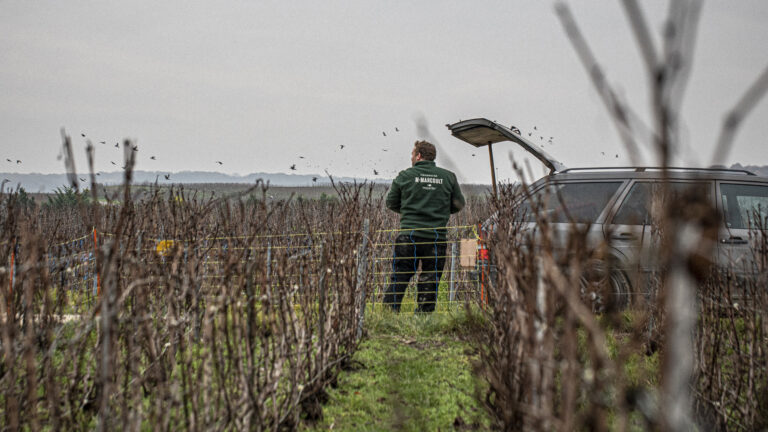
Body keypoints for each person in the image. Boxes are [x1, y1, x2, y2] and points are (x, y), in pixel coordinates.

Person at [384, 140, 465, 313]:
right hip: (435, 237)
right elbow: (459, 204)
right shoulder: (448, 177)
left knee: (400, 276)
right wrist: (440, 212)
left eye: (412, 154)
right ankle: (424, 316)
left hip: (408, 235)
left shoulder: (405, 176)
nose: (411, 158)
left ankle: (389, 312)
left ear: (419, 155)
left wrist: (409, 211)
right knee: (430, 278)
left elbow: (391, 202)